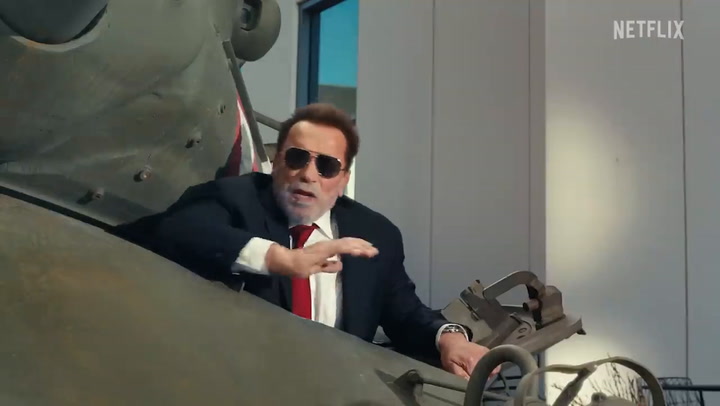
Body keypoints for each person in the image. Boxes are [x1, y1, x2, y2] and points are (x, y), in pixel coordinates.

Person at [151, 103, 494, 379]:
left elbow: (405, 315)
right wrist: (279, 259)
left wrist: (451, 339)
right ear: (277, 162)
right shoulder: (235, 198)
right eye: (296, 157)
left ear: (343, 180)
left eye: (327, 166)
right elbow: (178, 229)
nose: (308, 174)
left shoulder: (375, 233)